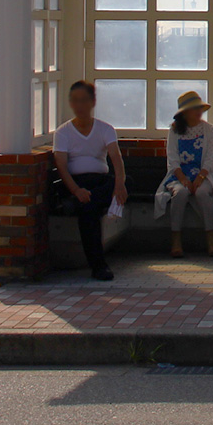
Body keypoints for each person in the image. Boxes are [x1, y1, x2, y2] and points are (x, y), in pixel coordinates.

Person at [51, 80, 128, 282]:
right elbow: (61, 166)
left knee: (93, 202)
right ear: (70, 103)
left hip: (101, 183)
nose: (80, 106)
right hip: (76, 184)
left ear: (92, 102)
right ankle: (99, 266)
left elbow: (116, 159)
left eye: (84, 100)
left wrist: (119, 184)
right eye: (75, 101)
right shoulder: (63, 132)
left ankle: (98, 264)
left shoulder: (105, 129)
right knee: (89, 210)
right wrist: (77, 190)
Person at [156, 90, 213, 257]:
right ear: (184, 113)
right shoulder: (174, 131)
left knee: (201, 193)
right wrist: (183, 179)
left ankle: (210, 237)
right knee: (180, 193)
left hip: (204, 175)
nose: (199, 112)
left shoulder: (209, 130)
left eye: (200, 108)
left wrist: (200, 177)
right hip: (179, 175)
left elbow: (211, 160)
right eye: (194, 109)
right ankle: (176, 239)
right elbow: (172, 159)